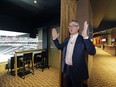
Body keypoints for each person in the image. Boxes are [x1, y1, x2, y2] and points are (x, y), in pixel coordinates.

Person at [52, 20, 96, 87]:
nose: (71, 27)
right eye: (69, 26)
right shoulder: (66, 39)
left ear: (78, 28)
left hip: (77, 70)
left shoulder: (82, 39)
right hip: (66, 69)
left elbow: (92, 52)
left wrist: (86, 37)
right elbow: (59, 47)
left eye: (74, 25)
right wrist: (55, 39)